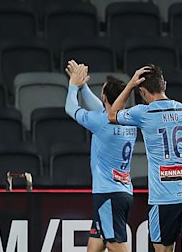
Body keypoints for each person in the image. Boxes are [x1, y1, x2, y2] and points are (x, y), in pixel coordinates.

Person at [108, 64, 182, 252]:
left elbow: (112, 115)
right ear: (164, 85)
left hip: (164, 198)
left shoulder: (143, 113)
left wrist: (130, 85)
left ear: (142, 91)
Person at [64, 60, 137, 252]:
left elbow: (71, 109)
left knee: (116, 246)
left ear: (104, 96)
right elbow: (101, 108)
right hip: (122, 192)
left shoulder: (101, 122)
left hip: (107, 195)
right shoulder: (129, 119)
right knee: (94, 246)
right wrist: (83, 86)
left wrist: (73, 87)